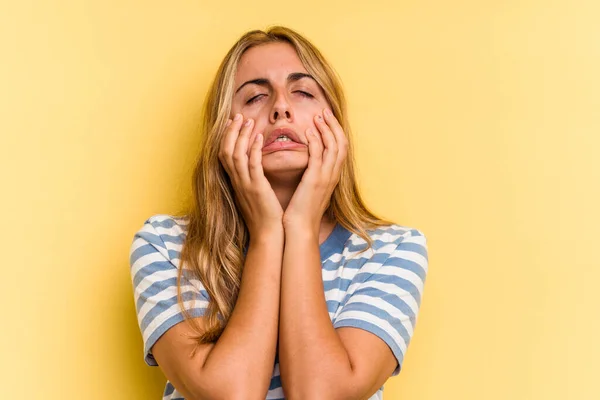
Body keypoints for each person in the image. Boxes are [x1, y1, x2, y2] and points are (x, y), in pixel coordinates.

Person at [129, 26, 428, 400]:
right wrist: (268, 235)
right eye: (254, 96)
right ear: (223, 128)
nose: (280, 108)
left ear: (335, 121)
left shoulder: (392, 251)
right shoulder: (164, 246)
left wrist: (300, 227)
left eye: (302, 92)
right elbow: (229, 395)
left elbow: (320, 394)